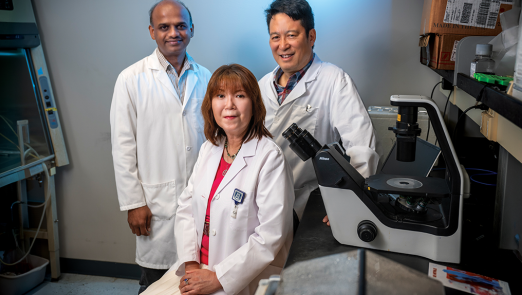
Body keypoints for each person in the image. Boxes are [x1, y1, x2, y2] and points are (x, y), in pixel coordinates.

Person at [141, 64, 294, 295]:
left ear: (254, 104)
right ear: (211, 104)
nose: (229, 105)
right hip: (197, 268)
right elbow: (186, 208)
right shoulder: (209, 149)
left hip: (239, 277)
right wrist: (191, 264)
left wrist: (218, 278)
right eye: (220, 96)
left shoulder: (269, 158)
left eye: (239, 95)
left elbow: (270, 236)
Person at [110, 1, 211, 293]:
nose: (173, 33)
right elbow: (122, 146)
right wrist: (133, 203)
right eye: (164, 27)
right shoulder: (131, 79)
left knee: (196, 279)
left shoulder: (206, 77)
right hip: (155, 204)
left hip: (200, 200)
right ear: (152, 31)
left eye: (180, 25)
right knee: (156, 285)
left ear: (192, 29)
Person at [258, 0, 379, 224]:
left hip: (308, 203)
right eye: (275, 37)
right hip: (262, 204)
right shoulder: (262, 86)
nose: (282, 45)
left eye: (291, 35)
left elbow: (362, 146)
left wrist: (351, 201)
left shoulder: (334, 80)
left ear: (311, 37)